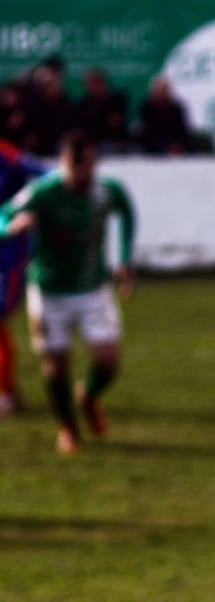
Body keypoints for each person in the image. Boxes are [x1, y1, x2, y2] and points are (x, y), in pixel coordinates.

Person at [0, 130, 135, 455]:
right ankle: (69, 429)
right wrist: (10, 228)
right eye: (72, 165)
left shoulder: (107, 191)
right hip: (50, 292)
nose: (78, 172)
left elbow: (127, 212)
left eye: (84, 164)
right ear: (63, 162)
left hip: (92, 288)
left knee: (108, 360)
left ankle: (88, 395)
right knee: (56, 366)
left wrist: (124, 259)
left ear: (94, 161)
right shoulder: (44, 192)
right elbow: (3, 214)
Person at [0, 138, 47, 416]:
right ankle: (8, 390)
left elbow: (48, 177)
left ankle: (6, 392)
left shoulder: (8, 154)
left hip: (7, 252)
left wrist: (27, 208)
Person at [76, 68, 131, 153]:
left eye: (98, 82)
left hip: (118, 143)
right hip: (94, 145)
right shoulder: (84, 104)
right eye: (91, 83)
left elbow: (115, 123)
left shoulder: (118, 100)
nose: (95, 86)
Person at [136, 75, 192, 156]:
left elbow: (182, 130)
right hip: (154, 144)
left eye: (165, 90)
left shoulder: (176, 108)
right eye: (160, 90)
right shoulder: (147, 108)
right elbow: (147, 132)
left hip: (175, 143)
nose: (163, 93)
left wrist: (177, 144)